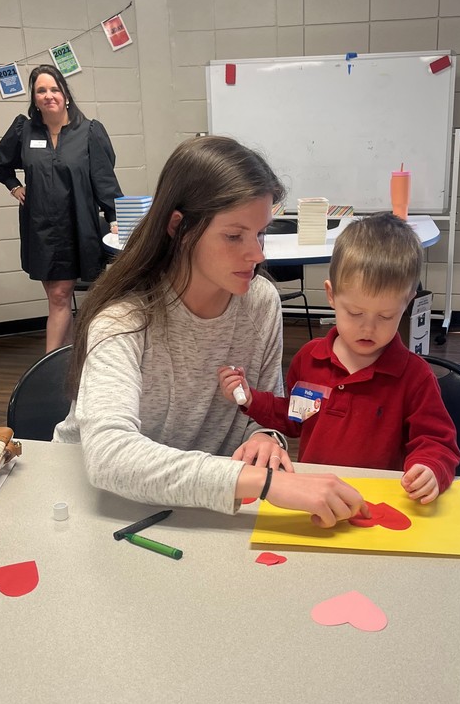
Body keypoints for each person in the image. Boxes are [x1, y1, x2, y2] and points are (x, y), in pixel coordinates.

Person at [53, 135, 369, 528]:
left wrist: (265, 439)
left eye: (261, 233)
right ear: (179, 228)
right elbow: (110, 458)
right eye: (234, 236)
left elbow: (263, 408)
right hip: (93, 507)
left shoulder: (260, 302)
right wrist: (265, 482)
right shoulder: (124, 320)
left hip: (195, 508)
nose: (257, 254)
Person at [219, 213, 460, 504]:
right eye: (355, 313)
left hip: (377, 502)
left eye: (386, 316)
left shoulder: (415, 377)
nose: (368, 328)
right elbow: (293, 419)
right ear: (331, 296)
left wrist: (430, 467)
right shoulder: (310, 359)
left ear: (406, 303)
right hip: (316, 497)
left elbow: (437, 441)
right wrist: (252, 399)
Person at [0, 64, 122, 352]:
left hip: (78, 223)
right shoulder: (24, 130)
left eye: (54, 89)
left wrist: (114, 218)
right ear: (34, 98)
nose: (49, 95)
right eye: (41, 90)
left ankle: (46, 368)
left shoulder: (89, 131)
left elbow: (105, 180)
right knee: (58, 297)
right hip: (41, 227)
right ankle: (71, 363)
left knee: (60, 296)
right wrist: (14, 185)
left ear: (66, 95)